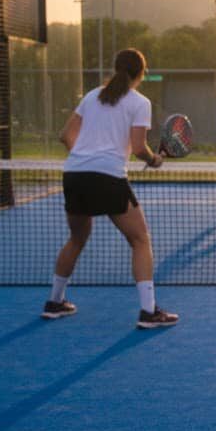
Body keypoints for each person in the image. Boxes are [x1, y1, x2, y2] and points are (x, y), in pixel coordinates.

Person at [42, 48, 179, 329]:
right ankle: (148, 311)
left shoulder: (93, 96)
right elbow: (140, 147)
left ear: (116, 68)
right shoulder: (140, 102)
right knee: (140, 240)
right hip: (108, 178)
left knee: (77, 238)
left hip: (74, 174)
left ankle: (55, 302)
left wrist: (85, 156)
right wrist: (154, 160)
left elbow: (65, 135)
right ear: (141, 73)